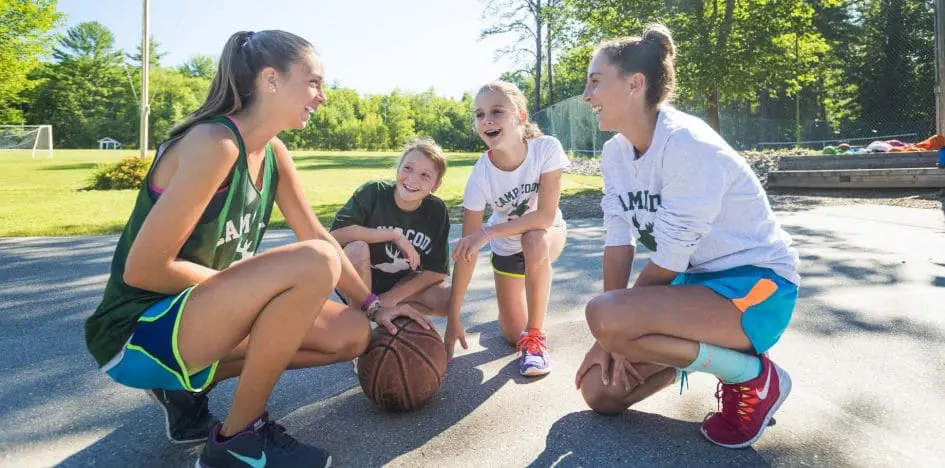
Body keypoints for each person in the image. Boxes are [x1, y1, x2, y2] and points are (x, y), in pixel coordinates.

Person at [83, 30, 429, 468]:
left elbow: (318, 234)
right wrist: (252, 298)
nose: (322, 96)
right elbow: (144, 269)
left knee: (353, 335)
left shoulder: (274, 154)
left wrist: (374, 304)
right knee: (313, 265)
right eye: (314, 82)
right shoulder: (215, 144)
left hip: (198, 319)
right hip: (134, 331)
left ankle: (183, 388)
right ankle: (235, 443)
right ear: (271, 80)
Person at [573, 23, 800, 449]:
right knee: (600, 392)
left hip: (757, 289)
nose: (587, 96)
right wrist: (607, 338)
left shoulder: (688, 145)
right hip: (696, 288)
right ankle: (725, 357)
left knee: (606, 317)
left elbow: (670, 259)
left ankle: (751, 375)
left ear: (635, 84)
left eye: (596, 82)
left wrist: (612, 327)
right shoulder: (615, 152)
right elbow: (617, 239)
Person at [444, 81, 570, 376]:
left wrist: (488, 233)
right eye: (479, 114)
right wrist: (453, 317)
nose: (486, 120)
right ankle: (518, 319)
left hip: (546, 236)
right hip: (507, 249)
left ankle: (536, 338)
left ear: (520, 116)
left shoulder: (546, 149)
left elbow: (545, 215)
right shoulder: (480, 176)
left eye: (497, 111)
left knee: (534, 238)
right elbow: (467, 250)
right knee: (512, 333)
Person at [330, 138, 452, 321]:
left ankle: (391, 317)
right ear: (398, 168)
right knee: (357, 248)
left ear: (436, 185)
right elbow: (336, 235)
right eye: (407, 168)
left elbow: (437, 270)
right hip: (358, 280)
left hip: (398, 284)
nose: (412, 179)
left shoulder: (437, 211)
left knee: (448, 299)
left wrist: (393, 296)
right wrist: (393, 235)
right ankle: (359, 324)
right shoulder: (374, 192)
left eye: (425, 175)